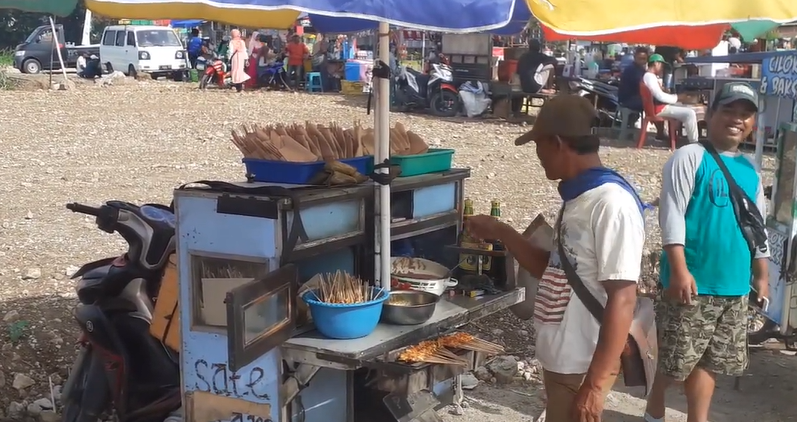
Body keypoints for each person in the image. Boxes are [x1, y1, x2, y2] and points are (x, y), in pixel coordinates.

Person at [466, 95, 644, 422]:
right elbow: (553, 270)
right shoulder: (579, 197)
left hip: (581, 364)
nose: (538, 156)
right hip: (563, 360)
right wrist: (502, 231)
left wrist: (595, 386)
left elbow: (623, 298)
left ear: (558, 143)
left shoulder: (611, 204)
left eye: (538, 145)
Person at [644, 81, 769, 422]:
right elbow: (672, 216)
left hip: (734, 286)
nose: (737, 119)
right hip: (693, 282)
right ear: (710, 115)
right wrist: (679, 270)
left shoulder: (751, 171)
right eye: (729, 110)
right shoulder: (689, 157)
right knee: (675, 361)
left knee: (711, 361)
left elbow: (757, 226)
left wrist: (762, 274)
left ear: (752, 123)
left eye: (745, 114)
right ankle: (654, 408)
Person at [643, 54, 699, 143]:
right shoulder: (649, 76)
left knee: (683, 107)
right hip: (658, 109)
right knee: (690, 113)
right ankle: (694, 142)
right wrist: (678, 97)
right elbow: (659, 96)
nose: (662, 68)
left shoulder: (648, 76)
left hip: (656, 107)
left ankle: (675, 138)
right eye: (661, 65)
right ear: (656, 63)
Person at [617, 47, 649, 113]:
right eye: (640, 58)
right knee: (652, 103)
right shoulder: (631, 69)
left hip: (635, 97)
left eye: (644, 59)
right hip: (627, 100)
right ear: (635, 57)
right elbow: (641, 84)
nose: (642, 61)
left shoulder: (641, 69)